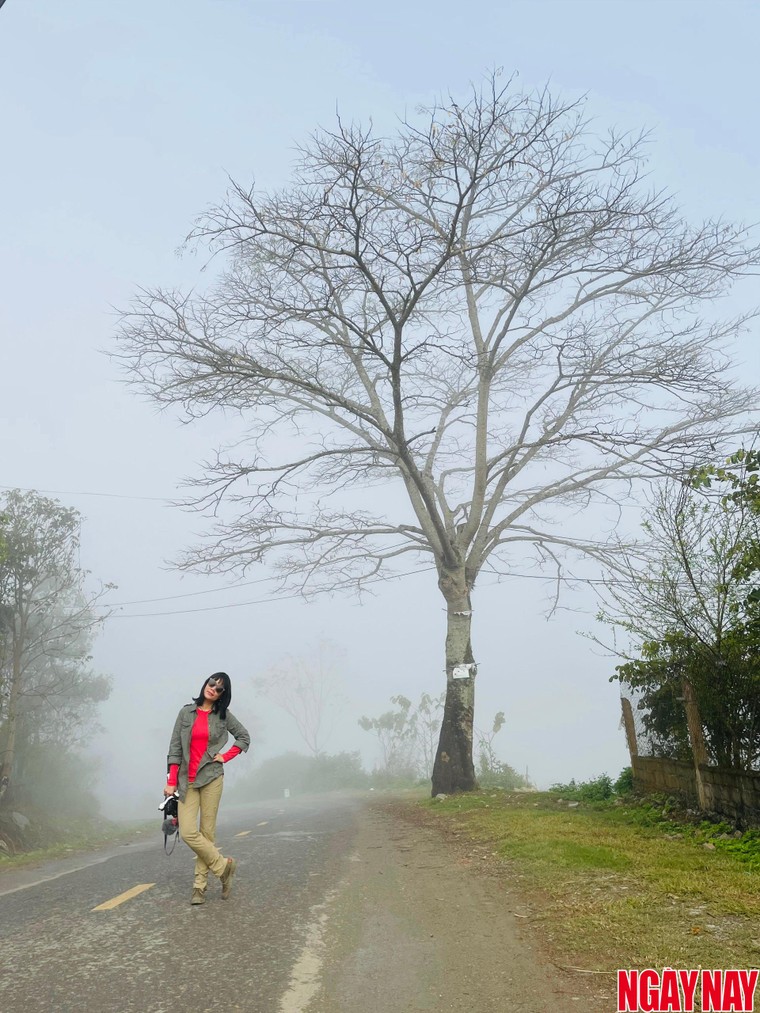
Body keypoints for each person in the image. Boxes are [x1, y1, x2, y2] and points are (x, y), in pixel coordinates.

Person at [164, 672, 250, 905]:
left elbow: (244, 737)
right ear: (205, 684)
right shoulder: (185, 713)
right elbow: (174, 749)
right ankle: (224, 868)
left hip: (212, 778)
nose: (213, 688)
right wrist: (171, 780)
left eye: (219, 688)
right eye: (211, 683)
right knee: (190, 832)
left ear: (223, 695)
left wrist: (226, 756)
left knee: (207, 833)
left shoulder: (223, 716)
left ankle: (199, 887)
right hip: (187, 781)